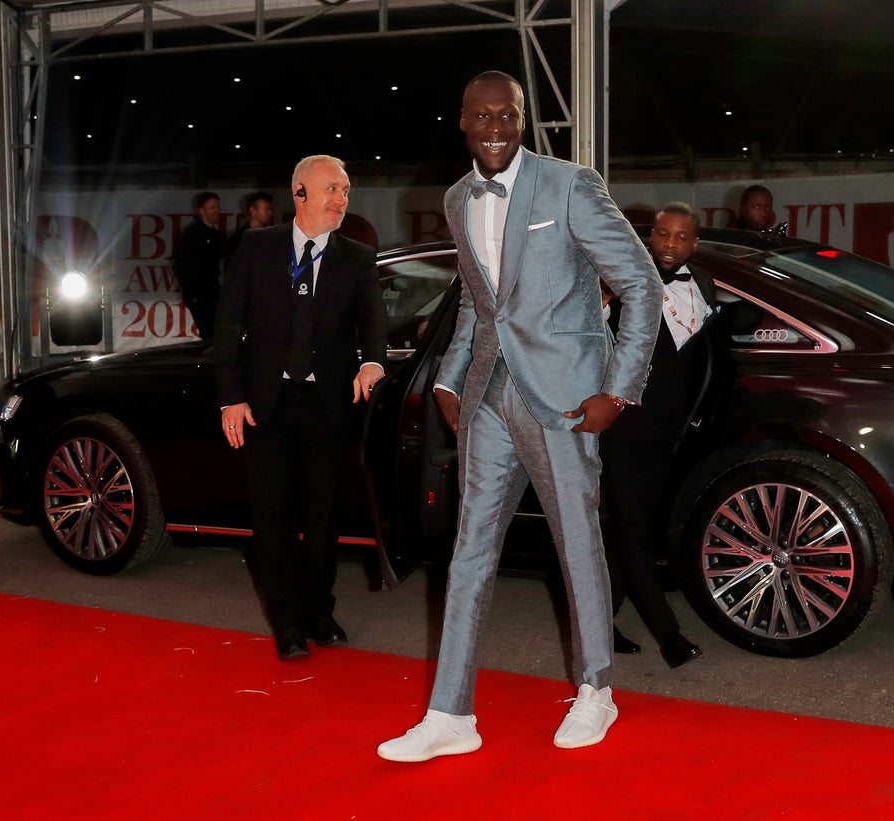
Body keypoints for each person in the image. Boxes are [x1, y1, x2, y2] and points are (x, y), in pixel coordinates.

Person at [378, 71, 662, 762]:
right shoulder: (455, 198)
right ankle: (451, 712)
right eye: (483, 116)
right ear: (464, 122)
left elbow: (641, 282)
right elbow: (481, 303)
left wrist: (617, 390)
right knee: (468, 550)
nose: (496, 126)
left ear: (525, 119)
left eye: (508, 115)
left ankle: (597, 689)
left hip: (564, 397)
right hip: (487, 398)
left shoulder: (569, 183)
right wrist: (448, 377)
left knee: (575, 541)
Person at [214, 156, 387, 661]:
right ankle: (287, 622)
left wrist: (373, 362)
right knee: (273, 518)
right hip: (264, 405)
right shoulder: (255, 247)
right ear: (300, 193)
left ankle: (319, 611)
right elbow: (228, 328)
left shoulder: (356, 257)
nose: (341, 199)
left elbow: (373, 323)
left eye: (347, 190)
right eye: (332, 189)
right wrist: (231, 396)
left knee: (324, 514)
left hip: (327, 404)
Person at [601, 202, 712, 669]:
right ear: (650, 235)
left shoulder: (704, 286)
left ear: (694, 243)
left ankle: (599, 626)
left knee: (627, 530)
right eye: (662, 234)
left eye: (680, 237)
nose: (670, 244)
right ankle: (669, 635)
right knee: (631, 528)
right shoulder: (618, 283)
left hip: (667, 432)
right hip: (620, 426)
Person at [174, 191, 223, 339]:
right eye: (212, 207)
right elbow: (180, 264)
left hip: (213, 291)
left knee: (216, 330)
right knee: (209, 330)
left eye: (217, 207)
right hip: (200, 293)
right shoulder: (193, 234)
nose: (216, 211)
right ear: (202, 211)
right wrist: (192, 294)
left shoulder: (215, 235)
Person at [222, 191, 275, 273]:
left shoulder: (272, 238)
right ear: (253, 211)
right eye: (266, 209)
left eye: (271, 209)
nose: (270, 213)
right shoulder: (237, 240)